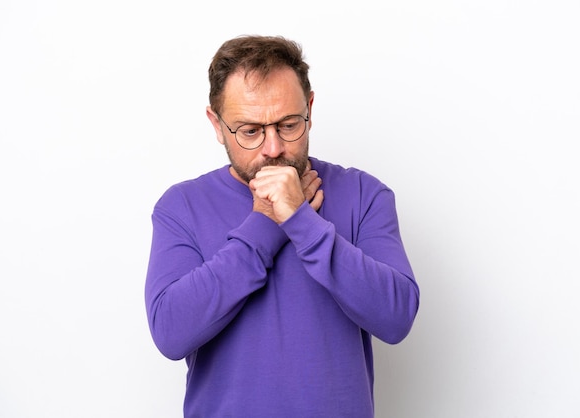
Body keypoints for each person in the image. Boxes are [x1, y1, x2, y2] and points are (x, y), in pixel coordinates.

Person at [145, 35, 420, 417]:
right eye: (250, 131)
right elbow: (171, 333)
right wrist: (265, 224)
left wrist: (303, 222)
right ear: (217, 124)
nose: (273, 148)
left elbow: (396, 317)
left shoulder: (364, 194)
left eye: (289, 124)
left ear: (309, 107)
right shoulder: (181, 207)